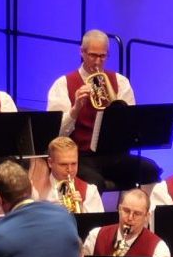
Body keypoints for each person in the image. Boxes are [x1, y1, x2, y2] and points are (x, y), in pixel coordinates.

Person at [46, 30, 156, 186]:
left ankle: (135, 202)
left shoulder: (120, 82)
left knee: (150, 170)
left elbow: (131, 126)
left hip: (115, 155)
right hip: (81, 156)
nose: (97, 62)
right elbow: (55, 133)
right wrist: (75, 109)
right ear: (82, 52)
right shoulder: (63, 84)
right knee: (95, 182)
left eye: (102, 56)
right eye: (93, 55)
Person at [82, 188, 172, 257]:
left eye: (137, 213)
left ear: (147, 216)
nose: (130, 218)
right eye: (126, 211)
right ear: (119, 209)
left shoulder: (159, 249)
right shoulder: (95, 236)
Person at [29, 136, 104, 214]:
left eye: (74, 163)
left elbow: (98, 222)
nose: (70, 170)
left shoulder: (90, 192)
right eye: (63, 164)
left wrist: (81, 209)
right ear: (50, 162)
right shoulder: (34, 191)